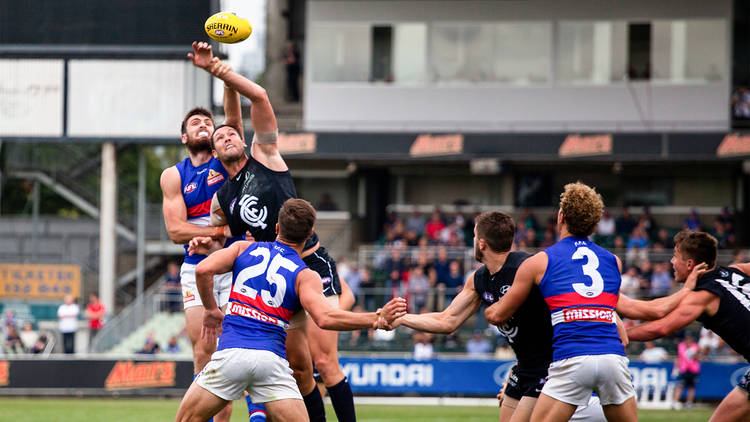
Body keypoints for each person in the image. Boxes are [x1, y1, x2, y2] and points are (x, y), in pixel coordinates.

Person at [189, 44, 357, 422]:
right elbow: (233, 235)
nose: (229, 136)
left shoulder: (265, 155)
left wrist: (216, 68)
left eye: (233, 132)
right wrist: (209, 239)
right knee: (299, 371)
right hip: (276, 275)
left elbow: (259, 95)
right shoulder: (222, 197)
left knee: (325, 361)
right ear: (215, 151)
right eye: (221, 136)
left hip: (308, 262)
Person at [174, 199, 406, 422]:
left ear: (276, 227)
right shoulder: (305, 275)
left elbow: (202, 270)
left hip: (231, 354)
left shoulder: (243, 248)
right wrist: (376, 319)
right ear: (309, 233)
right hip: (271, 363)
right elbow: (325, 318)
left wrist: (211, 310)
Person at [484, 183, 637, 422]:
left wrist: (487, 300)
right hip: (612, 358)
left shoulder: (540, 262)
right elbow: (623, 329)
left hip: (570, 359)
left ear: (560, 217)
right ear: (595, 223)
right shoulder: (613, 261)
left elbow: (497, 315)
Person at [160, 41, 241, 422]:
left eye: (208, 122)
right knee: (203, 351)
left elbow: (232, 115)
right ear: (184, 137)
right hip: (196, 268)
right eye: (196, 123)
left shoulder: (228, 159)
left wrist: (219, 72)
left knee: (230, 354)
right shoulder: (173, 175)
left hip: (234, 266)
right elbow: (175, 230)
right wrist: (209, 233)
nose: (205, 125)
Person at [627, 230, 750, 422]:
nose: (671, 262)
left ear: (690, 264)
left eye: (675, 256)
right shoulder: (736, 271)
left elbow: (660, 328)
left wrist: (620, 335)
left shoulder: (702, 297)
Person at [673, 333, 701, 409]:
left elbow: (698, 358)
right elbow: (679, 357)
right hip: (684, 369)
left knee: (691, 387)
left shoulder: (695, 346)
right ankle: (675, 402)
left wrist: (692, 353)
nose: (688, 340)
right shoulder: (681, 346)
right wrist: (675, 368)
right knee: (680, 385)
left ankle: (689, 403)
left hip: (693, 369)